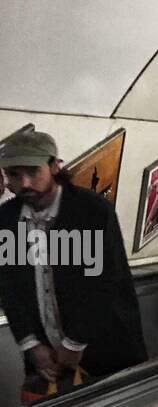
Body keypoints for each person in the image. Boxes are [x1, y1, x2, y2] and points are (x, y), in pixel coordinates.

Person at [0, 130, 147, 389]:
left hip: (105, 347)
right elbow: (9, 286)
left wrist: (74, 343)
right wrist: (31, 345)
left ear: (55, 166)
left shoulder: (91, 210)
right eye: (14, 174)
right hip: (44, 360)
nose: (24, 183)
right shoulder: (7, 219)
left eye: (33, 171)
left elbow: (104, 281)